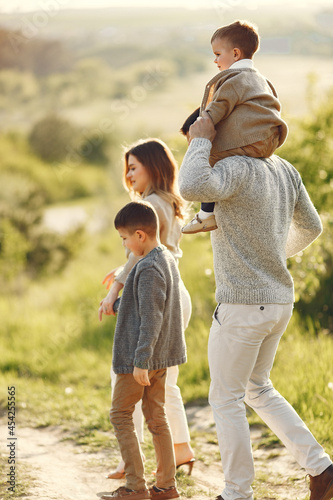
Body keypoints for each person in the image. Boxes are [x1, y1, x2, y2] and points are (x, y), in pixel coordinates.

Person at [178, 111, 333, 500]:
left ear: (218, 134)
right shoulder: (283, 168)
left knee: (225, 397)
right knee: (257, 389)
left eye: (197, 144)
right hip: (278, 300)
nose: (197, 153)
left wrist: (200, 139)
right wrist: (271, 257)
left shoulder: (233, 168)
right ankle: (323, 469)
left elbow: (191, 184)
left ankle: (237, 493)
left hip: (243, 305)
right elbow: (312, 226)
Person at [100, 138, 195, 479]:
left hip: (154, 295)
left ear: (153, 167)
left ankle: (132, 461)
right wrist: (123, 270)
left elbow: (140, 257)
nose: (128, 174)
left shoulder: (151, 203)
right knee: (163, 379)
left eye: (133, 166)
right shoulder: (167, 201)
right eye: (127, 167)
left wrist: (113, 291)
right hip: (172, 291)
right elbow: (142, 255)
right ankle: (180, 450)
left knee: (130, 375)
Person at [99, 200, 185, 500]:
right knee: (156, 417)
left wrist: (140, 362)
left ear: (139, 235)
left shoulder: (148, 267)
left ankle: (136, 487)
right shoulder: (165, 258)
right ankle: (166, 486)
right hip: (160, 355)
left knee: (121, 414)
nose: (124, 244)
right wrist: (119, 305)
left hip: (140, 358)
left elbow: (151, 319)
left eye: (124, 238)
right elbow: (146, 307)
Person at [181, 20, 288, 235]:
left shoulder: (234, 79)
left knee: (207, 158)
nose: (215, 60)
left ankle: (205, 215)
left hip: (249, 141)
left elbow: (220, 105)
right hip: (268, 143)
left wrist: (203, 125)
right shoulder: (262, 80)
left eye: (218, 54)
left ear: (236, 54)